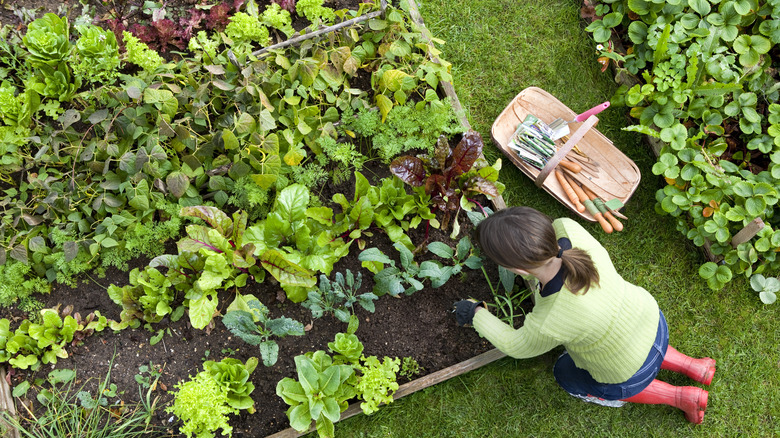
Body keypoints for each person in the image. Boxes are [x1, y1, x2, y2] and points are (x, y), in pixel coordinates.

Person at [454, 206, 715, 424]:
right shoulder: (568, 229)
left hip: (626, 370)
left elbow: (516, 345)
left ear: (517, 269)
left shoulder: (551, 319)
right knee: (636, 343)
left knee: (565, 373)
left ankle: (681, 397)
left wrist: (475, 313)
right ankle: (695, 367)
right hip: (651, 320)